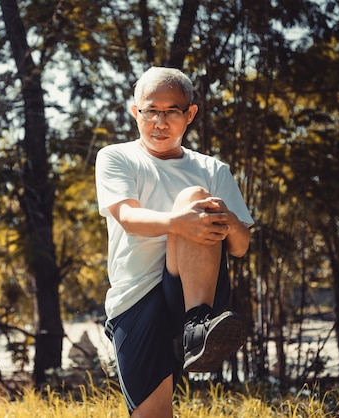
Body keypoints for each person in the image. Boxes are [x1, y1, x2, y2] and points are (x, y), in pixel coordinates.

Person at [95, 67, 254, 417]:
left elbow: (240, 246)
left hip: (197, 294)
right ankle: (191, 331)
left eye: (171, 111)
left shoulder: (213, 170)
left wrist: (224, 218)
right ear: (136, 112)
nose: (160, 122)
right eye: (151, 111)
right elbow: (128, 217)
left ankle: (197, 327)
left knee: (197, 197)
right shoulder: (117, 157)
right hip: (135, 297)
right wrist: (180, 224)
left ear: (190, 114)